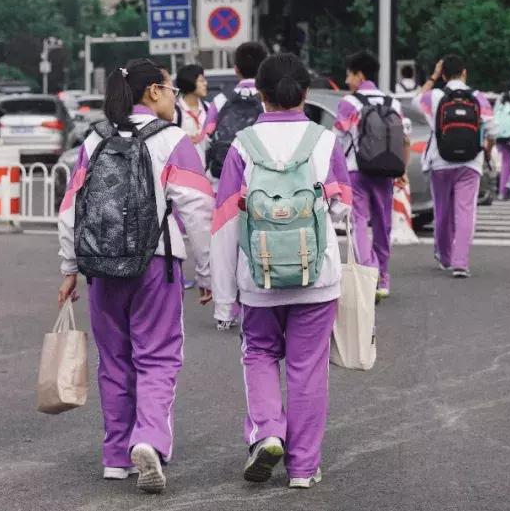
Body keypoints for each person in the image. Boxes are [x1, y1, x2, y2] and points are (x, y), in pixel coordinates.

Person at [56, 59, 213, 494]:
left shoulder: (95, 139)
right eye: (171, 90)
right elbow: (198, 211)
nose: (175, 98)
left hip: (102, 266)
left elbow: (71, 209)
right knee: (158, 357)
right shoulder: (173, 140)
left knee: (115, 360)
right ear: (155, 93)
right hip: (156, 264)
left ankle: (115, 456)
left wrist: (69, 267)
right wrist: (207, 272)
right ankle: (149, 440)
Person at [211, 53, 351, 489]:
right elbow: (344, 208)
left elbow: (224, 224)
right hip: (317, 278)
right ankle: (304, 468)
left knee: (259, 354)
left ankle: (269, 432)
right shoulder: (325, 141)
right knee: (308, 368)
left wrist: (222, 297)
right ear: (305, 93)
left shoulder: (242, 145)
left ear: (261, 95)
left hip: (259, 278)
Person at [334, 50, 408, 299]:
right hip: (386, 171)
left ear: (359, 75)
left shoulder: (349, 102)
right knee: (383, 223)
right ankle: (384, 277)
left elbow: (339, 138)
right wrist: (402, 169)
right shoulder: (393, 102)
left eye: (349, 75)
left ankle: (368, 275)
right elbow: (403, 138)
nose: (347, 81)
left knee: (359, 224)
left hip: (357, 171)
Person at [418, 55, 494, 278]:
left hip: (440, 161)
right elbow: (493, 129)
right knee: (465, 211)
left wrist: (432, 77)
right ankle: (461, 262)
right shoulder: (478, 97)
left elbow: (416, 99)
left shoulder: (433, 97)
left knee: (441, 211)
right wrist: (487, 149)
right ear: (464, 73)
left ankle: (445, 256)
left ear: (443, 74)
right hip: (470, 163)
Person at [205, 42, 268, 178]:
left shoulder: (220, 100)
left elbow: (207, 136)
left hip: (225, 175)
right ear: (264, 68)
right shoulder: (270, 100)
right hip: (260, 178)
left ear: (236, 69)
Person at [174, 64, 210, 167]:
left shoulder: (208, 109)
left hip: (208, 176)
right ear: (190, 81)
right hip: (184, 174)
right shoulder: (175, 112)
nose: (205, 83)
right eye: (201, 81)